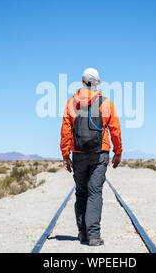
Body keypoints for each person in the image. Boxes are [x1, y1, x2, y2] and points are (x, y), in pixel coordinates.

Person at [60, 68, 122, 246]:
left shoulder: (71, 103)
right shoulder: (107, 104)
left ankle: (82, 233)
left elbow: (66, 131)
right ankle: (94, 235)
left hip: (78, 154)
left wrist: (66, 155)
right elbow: (115, 131)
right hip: (99, 153)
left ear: (81, 81)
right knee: (95, 192)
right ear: (98, 82)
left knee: (81, 192)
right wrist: (118, 152)